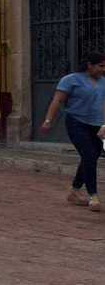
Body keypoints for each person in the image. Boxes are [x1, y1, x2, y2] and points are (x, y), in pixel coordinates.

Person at [40, 52, 105, 212]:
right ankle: (93, 196)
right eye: (101, 66)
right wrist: (48, 121)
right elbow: (57, 100)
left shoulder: (103, 82)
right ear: (89, 65)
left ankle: (74, 191)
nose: (103, 69)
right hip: (76, 122)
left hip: (97, 124)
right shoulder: (70, 80)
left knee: (92, 156)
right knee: (88, 154)